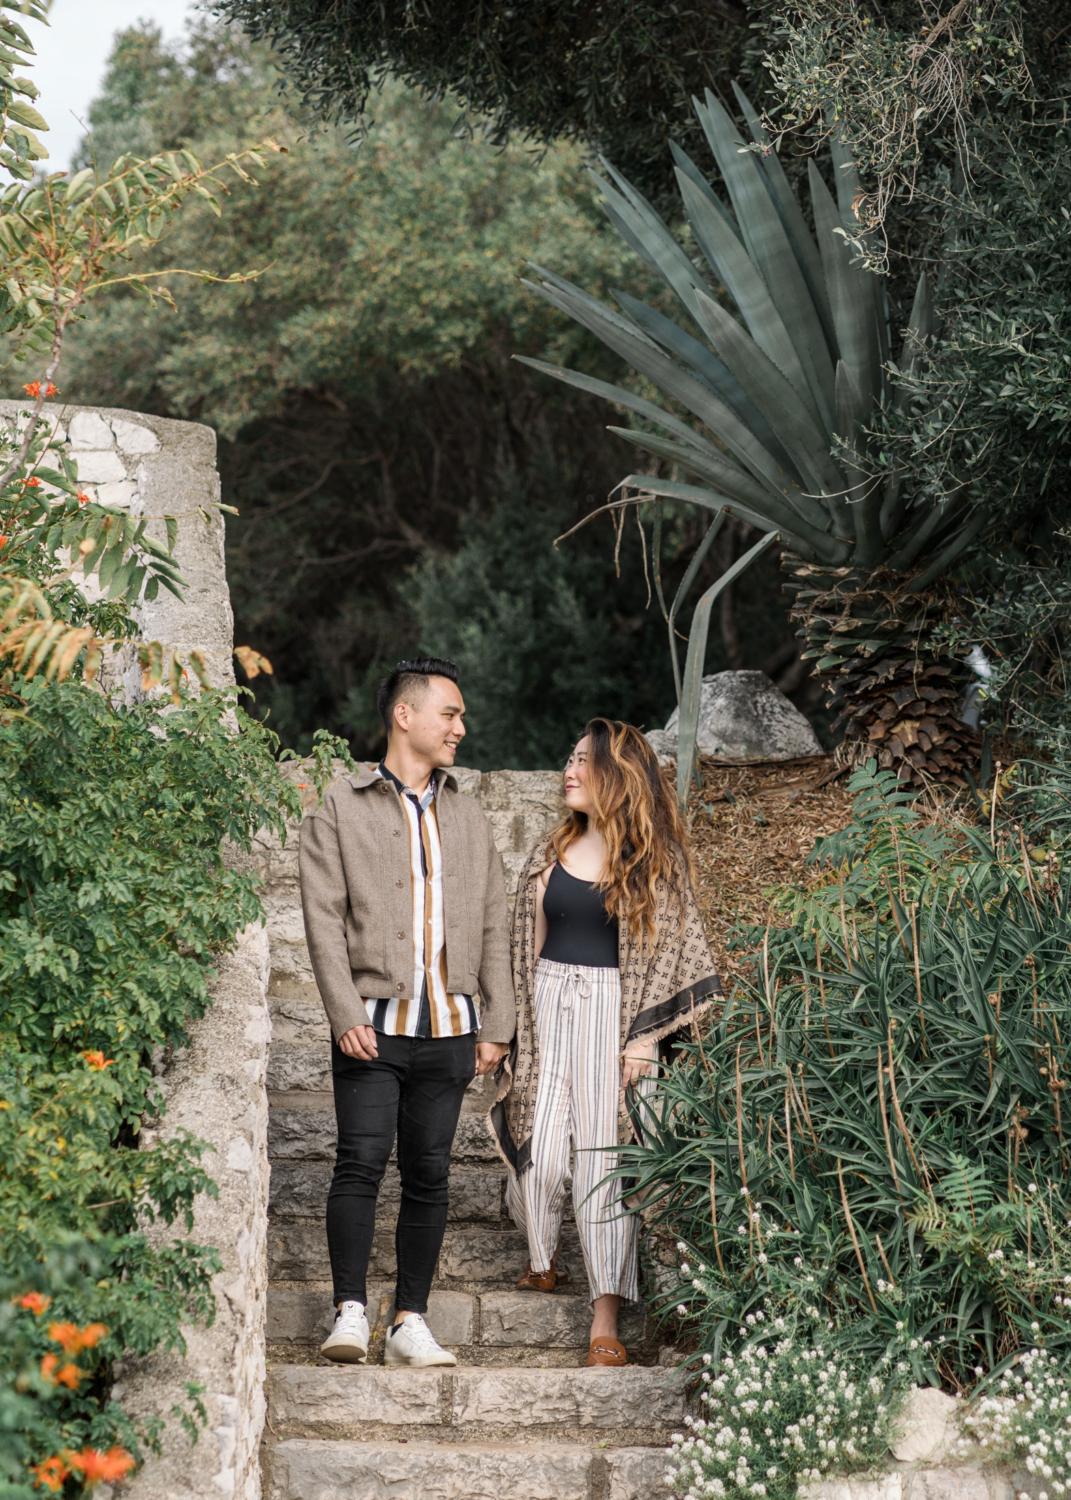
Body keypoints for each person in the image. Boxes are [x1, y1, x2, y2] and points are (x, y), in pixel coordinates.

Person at [300, 656, 513, 1367]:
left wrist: (498, 1024)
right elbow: (322, 918)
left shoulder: (467, 811)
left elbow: (492, 921)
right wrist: (339, 1011)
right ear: (406, 715)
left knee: (430, 1173)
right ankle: (350, 1312)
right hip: (371, 1026)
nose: (460, 726)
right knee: (359, 1162)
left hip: (450, 1031)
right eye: (449, 713)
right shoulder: (342, 805)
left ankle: (409, 1321)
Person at [490, 718, 720, 1367]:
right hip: (545, 1009)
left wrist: (645, 1038)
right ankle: (542, 1253)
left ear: (617, 778)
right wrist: (507, 1032)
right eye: (568, 758)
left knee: (600, 1166)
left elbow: (676, 952)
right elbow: (518, 949)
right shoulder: (545, 851)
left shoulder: (656, 866)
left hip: (614, 1020)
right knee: (544, 1163)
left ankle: (605, 1317)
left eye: (584, 761)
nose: (569, 769)